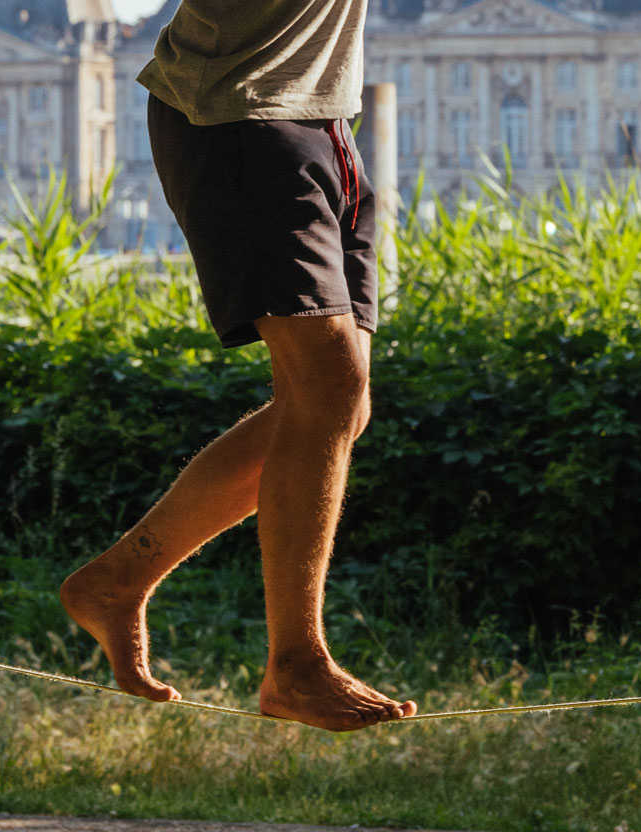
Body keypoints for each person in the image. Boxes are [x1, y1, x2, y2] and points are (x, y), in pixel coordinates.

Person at [58, 0, 416, 731]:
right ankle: (296, 665)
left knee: (339, 406)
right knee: (329, 389)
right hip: (240, 118)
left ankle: (118, 580)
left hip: (324, 123)